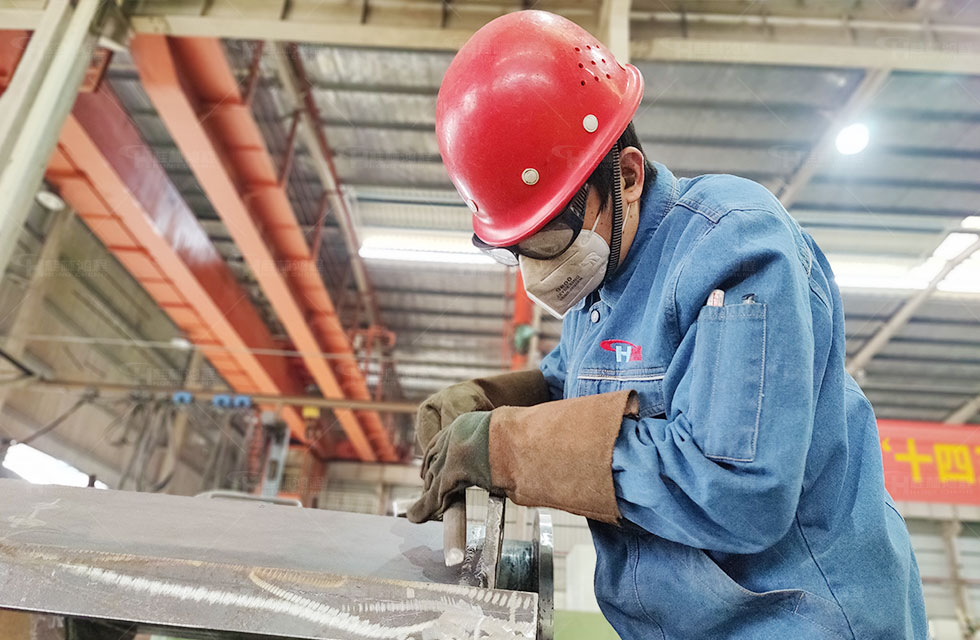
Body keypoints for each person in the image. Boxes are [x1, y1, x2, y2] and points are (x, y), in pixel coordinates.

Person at [407, 10, 928, 639]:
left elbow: (738, 492)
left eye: (546, 238)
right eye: (515, 250)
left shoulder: (735, 247)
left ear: (625, 176)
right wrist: (483, 403)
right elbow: (569, 388)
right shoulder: (602, 284)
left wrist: (506, 447)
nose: (534, 272)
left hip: (798, 622)